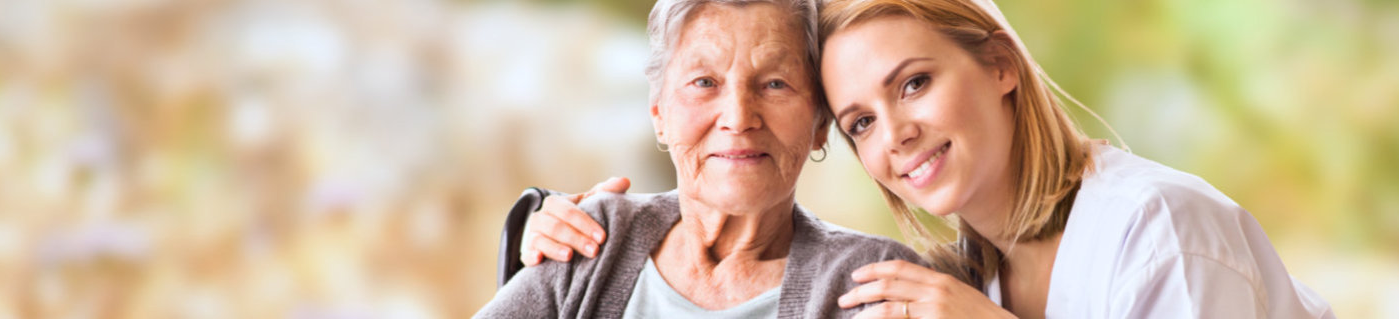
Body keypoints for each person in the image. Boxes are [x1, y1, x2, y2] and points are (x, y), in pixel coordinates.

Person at [522, 0, 1336, 317]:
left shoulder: (1160, 229)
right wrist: (537, 236)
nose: (895, 135)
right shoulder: (958, 278)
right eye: (861, 120)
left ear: (1000, 65)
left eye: (913, 83)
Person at [473, 0, 921, 317]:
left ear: (820, 123)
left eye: (775, 84)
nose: (739, 118)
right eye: (705, 82)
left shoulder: (873, 282)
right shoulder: (596, 236)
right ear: (659, 115)